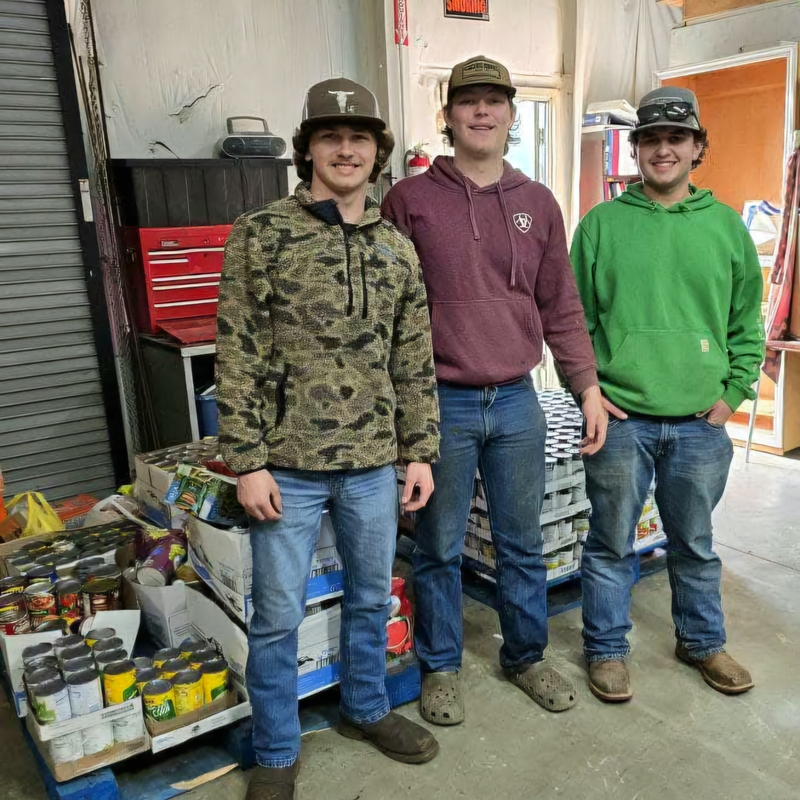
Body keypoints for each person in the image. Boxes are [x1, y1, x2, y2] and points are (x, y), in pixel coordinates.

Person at [216, 78, 442, 800]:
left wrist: (419, 451)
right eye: (330, 137)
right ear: (306, 148)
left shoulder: (397, 249)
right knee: (278, 616)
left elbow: (414, 358)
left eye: (360, 139)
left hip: (375, 463)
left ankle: (366, 707)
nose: (346, 150)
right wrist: (247, 462)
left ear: (377, 154)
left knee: (373, 597)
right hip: (290, 465)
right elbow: (238, 352)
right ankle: (277, 750)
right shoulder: (261, 235)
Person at [382, 56, 605, 724]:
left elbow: (561, 305)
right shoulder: (409, 201)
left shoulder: (537, 204)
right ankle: (442, 666)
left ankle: (526, 656)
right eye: (468, 102)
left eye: (494, 101)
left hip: (516, 400)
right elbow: (391, 314)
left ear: (511, 115)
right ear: (448, 116)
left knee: (520, 542)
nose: (482, 112)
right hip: (441, 402)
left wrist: (587, 387)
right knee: (439, 546)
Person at [570, 87, 764, 703]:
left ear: (697, 148)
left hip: (701, 422)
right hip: (622, 419)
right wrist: (592, 390)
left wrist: (732, 393)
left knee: (696, 543)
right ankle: (606, 650)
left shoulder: (726, 227)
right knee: (609, 542)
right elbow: (575, 320)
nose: (663, 150)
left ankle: (702, 642)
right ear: (635, 150)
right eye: (650, 139)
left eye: (676, 138)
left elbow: (745, 322)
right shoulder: (602, 224)